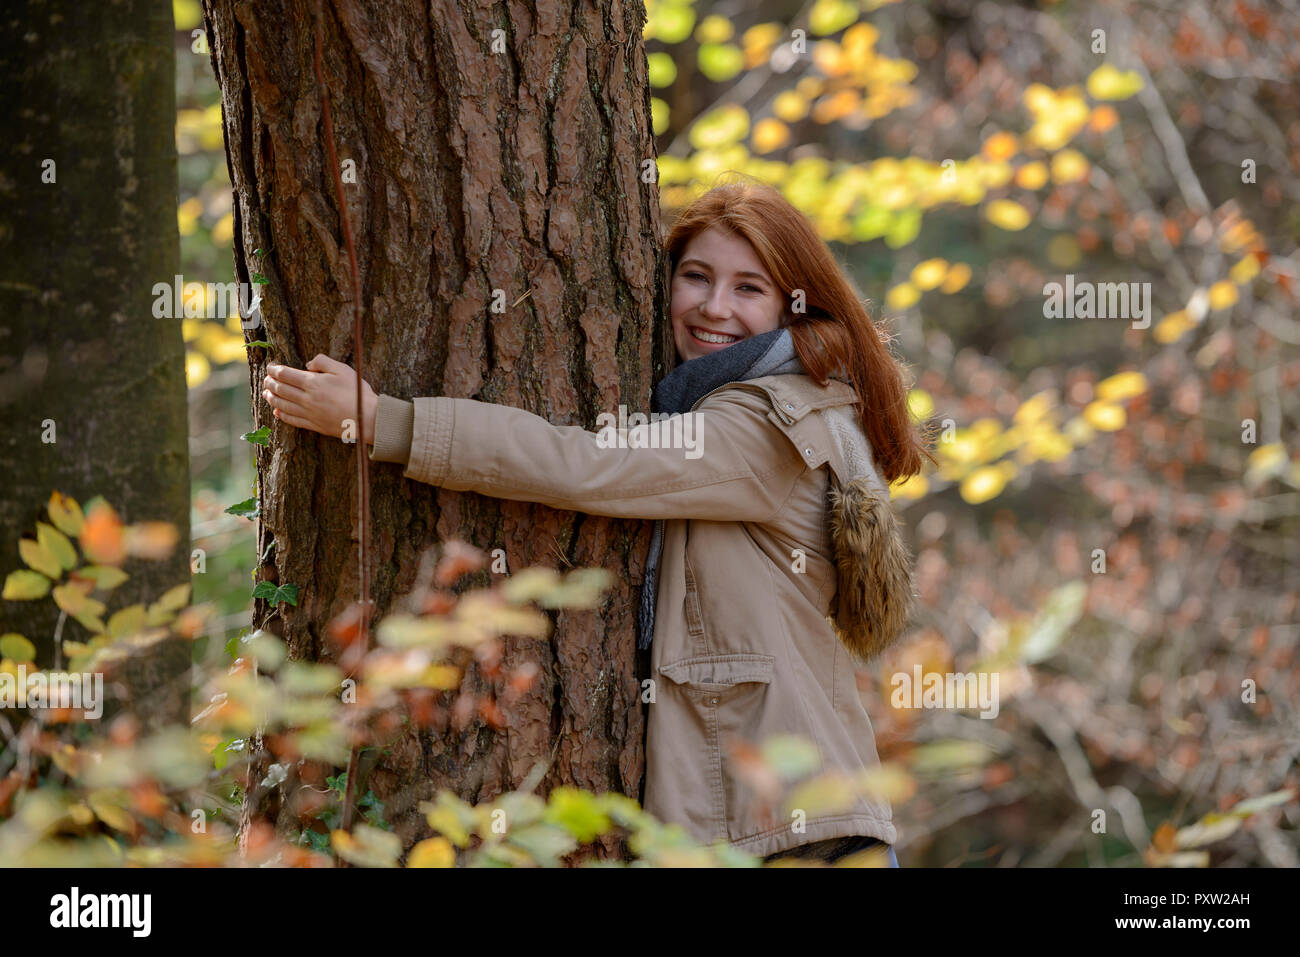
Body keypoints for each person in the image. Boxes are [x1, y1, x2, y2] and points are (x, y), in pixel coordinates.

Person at [261, 175, 933, 866]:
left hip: (795, 834)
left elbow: (586, 462)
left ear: (795, 306)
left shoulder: (764, 423)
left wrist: (388, 422)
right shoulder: (778, 398)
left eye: (749, 288)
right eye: (696, 276)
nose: (714, 306)